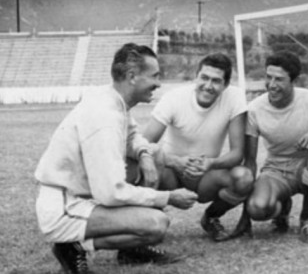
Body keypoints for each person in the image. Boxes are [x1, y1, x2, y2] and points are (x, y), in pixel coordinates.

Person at [35, 43, 198, 274]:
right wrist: (168, 197)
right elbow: (111, 193)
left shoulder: (113, 98)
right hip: (65, 206)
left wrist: (144, 154)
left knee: (155, 154)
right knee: (156, 225)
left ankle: (131, 250)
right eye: (154, 76)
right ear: (132, 76)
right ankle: (73, 246)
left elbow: (133, 135)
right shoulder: (104, 117)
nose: (158, 83)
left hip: (82, 193)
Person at [142, 53, 253, 242]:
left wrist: (210, 163)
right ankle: (149, 224)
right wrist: (176, 162)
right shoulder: (174, 98)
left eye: (216, 81)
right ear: (196, 76)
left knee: (243, 178)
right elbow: (144, 144)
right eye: (204, 77)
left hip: (206, 176)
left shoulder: (234, 97)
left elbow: (237, 153)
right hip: (172, 175)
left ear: (225, 85)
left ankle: (211, 217)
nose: (208, 86)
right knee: (147, 164)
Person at [231, 51, 308, 243]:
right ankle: (282, 208)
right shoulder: (255, 109)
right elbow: (250, 161)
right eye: (268, 77)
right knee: (257, 208)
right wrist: (245, 217)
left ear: (294, 80)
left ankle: (307, 221)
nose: (272, 85)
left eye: (279, 79)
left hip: (307, 166)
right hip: (276, 169)